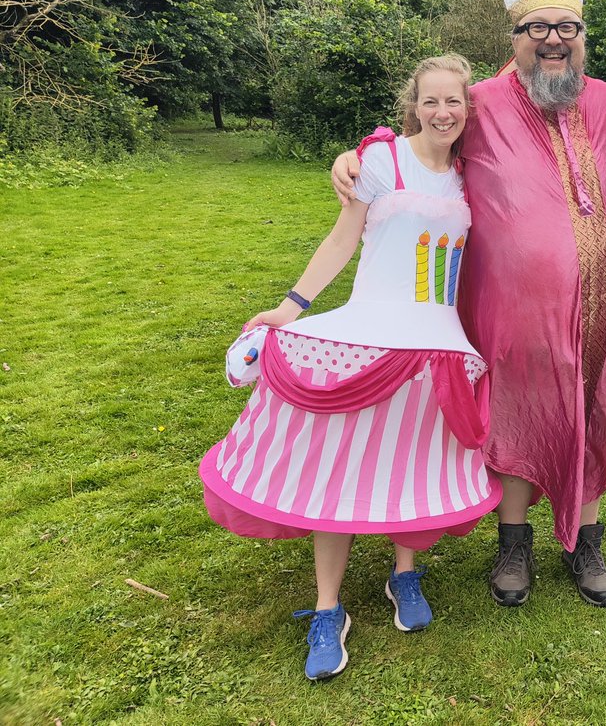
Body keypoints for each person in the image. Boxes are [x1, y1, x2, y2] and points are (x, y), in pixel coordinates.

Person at [331, 0, 606, 609]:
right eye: (538, 28)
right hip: (510, 313)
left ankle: (586, 544)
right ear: (516, 35)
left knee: (593, 407)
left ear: (581, 34)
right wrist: (358, 155)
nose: (554, 40)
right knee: (518, 409)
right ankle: (514, 547)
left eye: (567, 27)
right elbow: (422, 139)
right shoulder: (478, 104)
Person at [200, 55, 501, 681]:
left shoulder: (474, 176)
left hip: (436, 344)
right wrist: (291, 306)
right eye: (430, 101)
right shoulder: (381, 162)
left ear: (469, 107)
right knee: (334, 468)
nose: (442, 112)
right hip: (367, 335)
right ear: (412, 104)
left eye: (454, 102)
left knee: (411, 459)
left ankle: (404, 576)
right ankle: (326, 607)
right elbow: (343, 238)